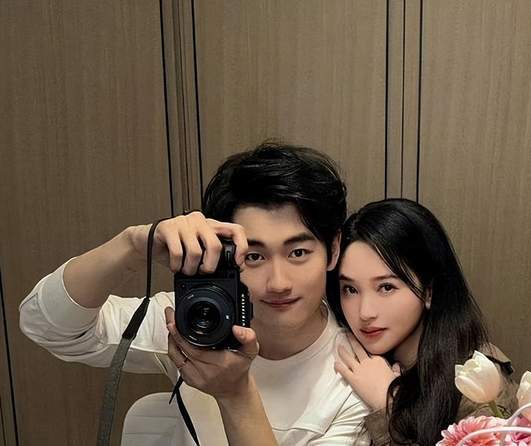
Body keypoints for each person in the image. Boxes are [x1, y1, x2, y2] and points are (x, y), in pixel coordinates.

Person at [20, 142, 370, 445]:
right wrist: (132, 246)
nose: (278, 282)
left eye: (298, 253)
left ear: (333, 250)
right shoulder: (196, 319)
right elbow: (49, 328)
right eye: (253, 256)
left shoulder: (358, 374)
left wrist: (235, 395)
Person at [327, 198, 517, 446]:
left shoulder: (477, 379)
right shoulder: (351, 356)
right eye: (350, 289)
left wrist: (386, 409)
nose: (365, 312)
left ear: (428, 291)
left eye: (386, 287)